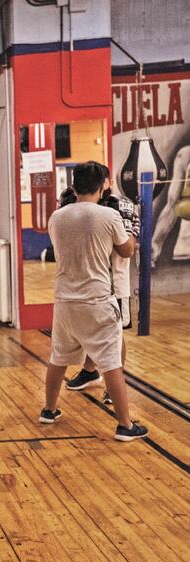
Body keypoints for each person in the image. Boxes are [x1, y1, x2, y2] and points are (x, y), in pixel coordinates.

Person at [40, 162, 148, 442]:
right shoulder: (108, 216)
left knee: (58, 358)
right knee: (111, 363)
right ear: (103, 186)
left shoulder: (56, 217)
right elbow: (125, 251)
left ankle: (49, 410)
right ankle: (125, 425)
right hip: (98, 299)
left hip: (65, 301)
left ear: (74, 186)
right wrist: (133, 230)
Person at [61, 163, 140, 404]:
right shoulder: (76, 204)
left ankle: (114, 385)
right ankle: (90, 370)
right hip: (84, 281)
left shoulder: (119, 206)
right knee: (91, 330)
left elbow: (126, 249)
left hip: (112, 282)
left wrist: (124, 231)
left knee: (114, 335)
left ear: (107, 183)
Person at [152, 145, 190, 265]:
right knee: (175, 203)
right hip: (184, 247)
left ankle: (152, 251)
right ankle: (152, 252)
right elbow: (172, 204)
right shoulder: (185, 155)